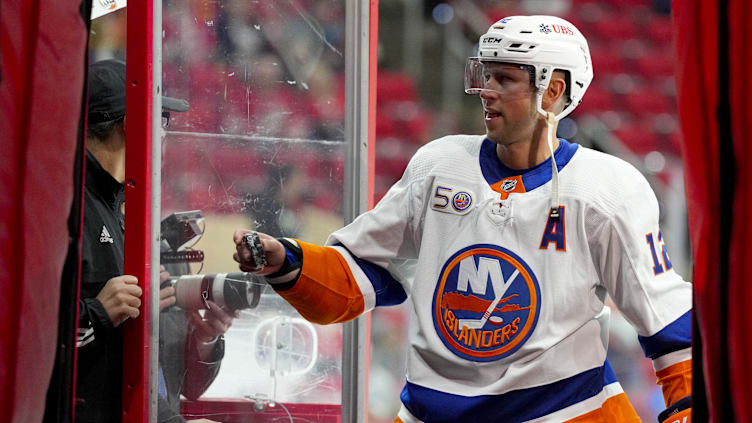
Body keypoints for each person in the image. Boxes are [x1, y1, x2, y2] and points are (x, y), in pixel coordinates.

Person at [233, 15, 693, 422]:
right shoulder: (439, 164)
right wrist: (288, 262)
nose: (486, 92)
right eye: (485, 75)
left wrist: (688, 406)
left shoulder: (606, 188)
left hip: (567, 412)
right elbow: (364, 273)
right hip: (432, 411)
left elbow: (666, 320)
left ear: (552, 90)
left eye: (506, 79)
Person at [76, 59, 234, 423]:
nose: (165, 134)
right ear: (132, 125)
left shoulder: (129, 215)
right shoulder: (68, 208)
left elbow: (186, 388)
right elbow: (26, 340)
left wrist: (203, 337)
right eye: (162, 119)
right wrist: (98, 313)